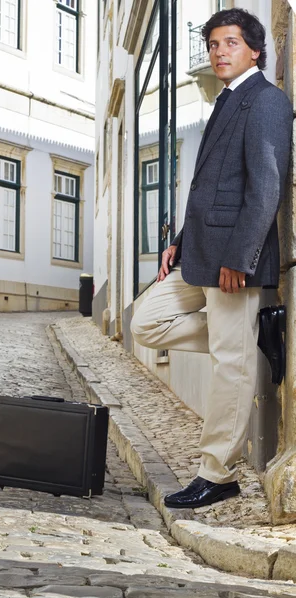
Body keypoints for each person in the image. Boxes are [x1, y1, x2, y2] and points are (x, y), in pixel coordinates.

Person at [130, 8, 293, 509]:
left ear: (255, 50)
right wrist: (178, 239)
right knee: (146, 322)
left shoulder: (266, 100)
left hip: (232, 260)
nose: (219, 51)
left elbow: (266, 187)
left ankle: (216, 472)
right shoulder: (224, 100)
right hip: (197, 250)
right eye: (213, 44)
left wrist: (242, 256)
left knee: (229, 364)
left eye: (230, 43)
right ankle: (246, 351)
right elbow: (208, 186)